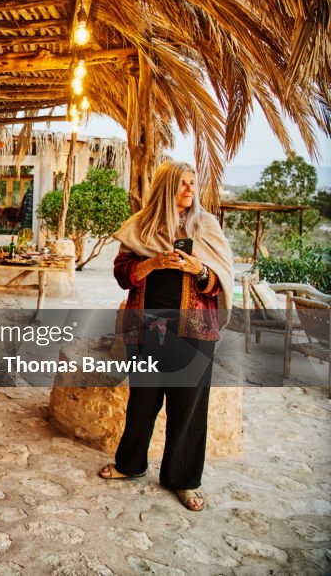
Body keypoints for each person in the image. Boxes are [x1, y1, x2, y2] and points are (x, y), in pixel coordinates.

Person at [97, 161, 233, 512]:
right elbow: (122, 274)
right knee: (143, 401)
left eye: (193, 183)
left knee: (188, 407)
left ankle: (183, 480)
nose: (190, 189)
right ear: (165, 187)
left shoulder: (206, 226)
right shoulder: (141, 227)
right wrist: (153, 263)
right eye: (182, 184)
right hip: (148, 329)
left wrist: (198, 269)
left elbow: (220, 280)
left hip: (195, 330)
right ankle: (131, 464)